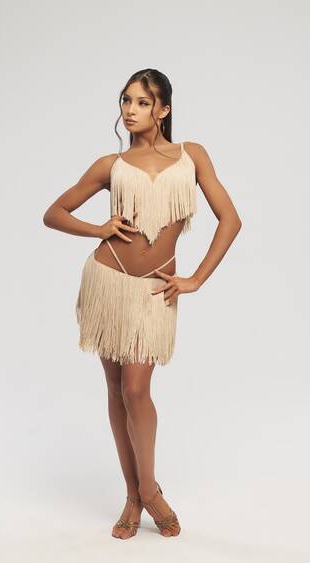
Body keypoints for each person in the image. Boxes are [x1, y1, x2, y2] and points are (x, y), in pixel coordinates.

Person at [43, 69, 242, 539]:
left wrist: (196, 278)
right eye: (125, 101)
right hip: (108, 281)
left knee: (136, 390)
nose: (130, 110)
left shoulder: (192, 156)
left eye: (142, 102)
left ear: (163, 110)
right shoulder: (110, 165)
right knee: (117, 390)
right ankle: (133, 496)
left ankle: (149, 489)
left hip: (156, 287)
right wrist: (98, 229)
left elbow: (230, 219)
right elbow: (53, 213)